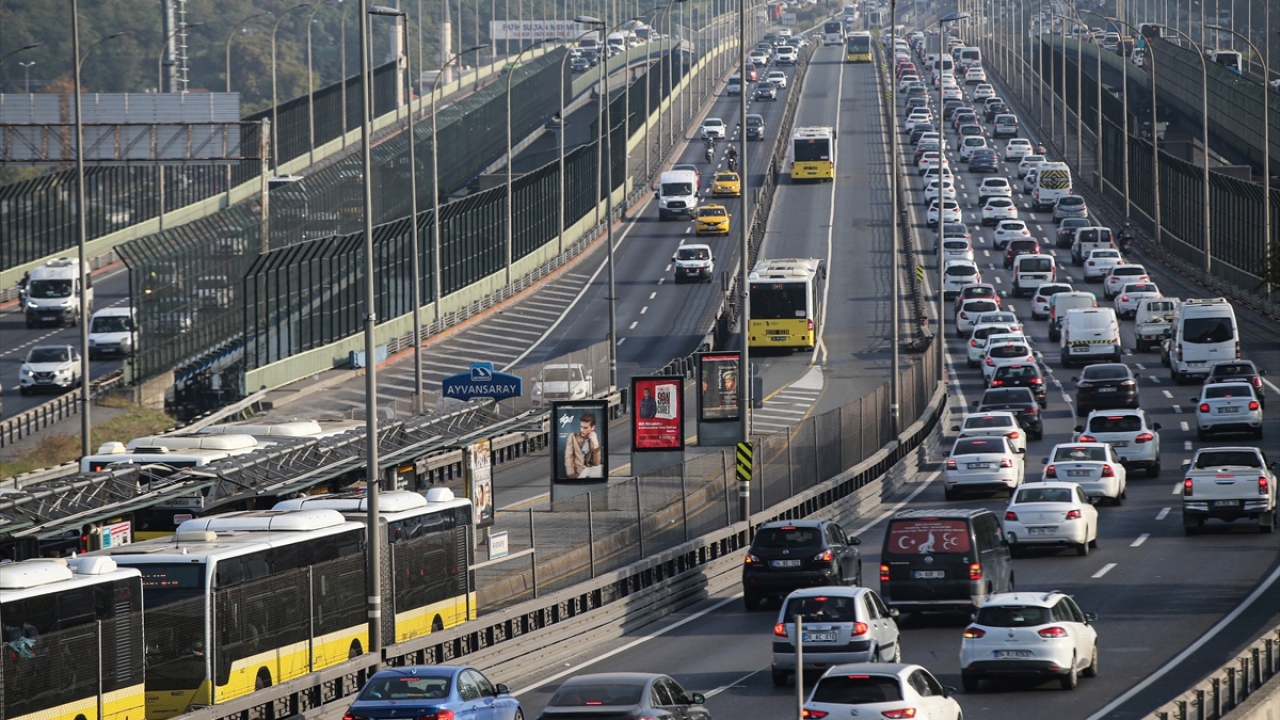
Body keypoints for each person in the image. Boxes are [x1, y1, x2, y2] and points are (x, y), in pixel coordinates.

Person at [564, 413, 602, 479]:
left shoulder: (593, 438)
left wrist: (596, 445)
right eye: (581, 427)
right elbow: (568, 457)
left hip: (591, 472)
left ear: (592, 427)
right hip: (578, 473)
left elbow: (596, 463)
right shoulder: (573, 436)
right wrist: (571, 476)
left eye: (585, 428)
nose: (582, 430)